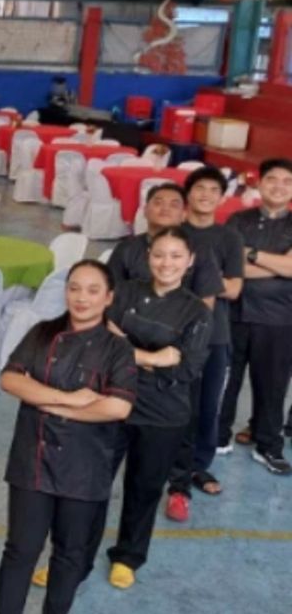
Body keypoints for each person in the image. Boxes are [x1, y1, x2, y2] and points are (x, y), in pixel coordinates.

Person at [0, 260, 137, 614]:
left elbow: (118, 407)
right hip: (33, 460)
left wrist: (48, 404)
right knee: (21, 550)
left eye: (92, 290)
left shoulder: (118, 348)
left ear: (108, 297)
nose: (81, 298)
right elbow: (10, 379)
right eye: (74, 288)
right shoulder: (42, 333)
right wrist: (70, 399)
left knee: (70, 554)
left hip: (85, 467)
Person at [102, 227, 212, 589]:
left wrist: (124, 347)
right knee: (90, 483)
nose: (167, 263)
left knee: (144, 489)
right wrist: (153, 357)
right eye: (159, 254)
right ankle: (73, 555)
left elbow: (185, 370)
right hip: (111, 401)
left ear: (190, 261)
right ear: (148, 256)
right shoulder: (125, 292)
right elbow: (101, 342)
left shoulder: (197, 312)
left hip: (162, 413)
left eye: (176, 256)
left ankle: (127, 557)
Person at [164, 166, 243, 517]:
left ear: (222, 198)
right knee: (173, 401)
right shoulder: (173, 234)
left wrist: (198, 282)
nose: (206, 195)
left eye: (214, 190)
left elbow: (235, 288)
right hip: (169, 331)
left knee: (208, 405)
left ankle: (198, 465)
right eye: (200, 188)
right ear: (188, 194)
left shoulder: (228, 238)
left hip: (214, 333)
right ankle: (169, 463)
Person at [218, 157, 292, 476]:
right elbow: (227, 265)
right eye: (272, 179)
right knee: (226, 381)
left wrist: (250, 254)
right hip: (233, 312)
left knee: (272, 385)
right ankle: (217, 437)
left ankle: (268, 445)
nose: (279, 186)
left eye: (287, 181)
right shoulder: (238, 220)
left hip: (278, 317)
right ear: (259, 183)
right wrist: (277, 266)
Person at [107, 183, 223, 307]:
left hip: (181, 317)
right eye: (158, 203)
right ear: (145, 211)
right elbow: (110, 293)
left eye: (174, 205)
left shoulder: (200, 249)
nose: (165, 208)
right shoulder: (126, 248)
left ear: (184, 215)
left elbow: (206, 303)